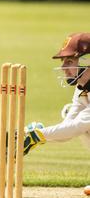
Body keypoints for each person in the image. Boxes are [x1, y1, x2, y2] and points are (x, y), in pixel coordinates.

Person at [22, 32, 90, 195]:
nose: (63, 68)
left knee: (84, 125)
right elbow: (67, 130)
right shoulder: (82, 88)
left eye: (69, 61)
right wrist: (37, 134)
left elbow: (78, 126)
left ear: (87, 61)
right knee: (72, 114)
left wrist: (38, 135)